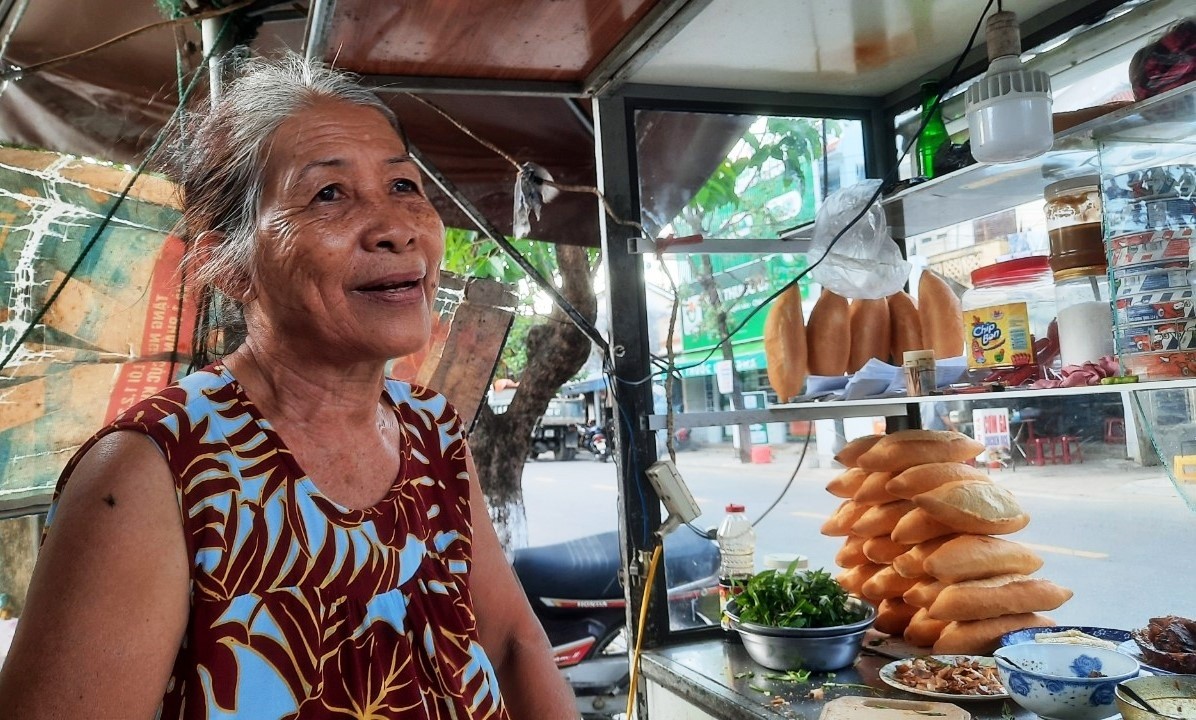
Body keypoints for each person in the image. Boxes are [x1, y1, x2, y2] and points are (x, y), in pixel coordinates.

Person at [0, 55, 575, 719]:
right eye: (329, 194)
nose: (397, 227)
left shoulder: (432, 430)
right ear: (227, 264)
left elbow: (511, 642)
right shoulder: (153, 472)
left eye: (405, 186)